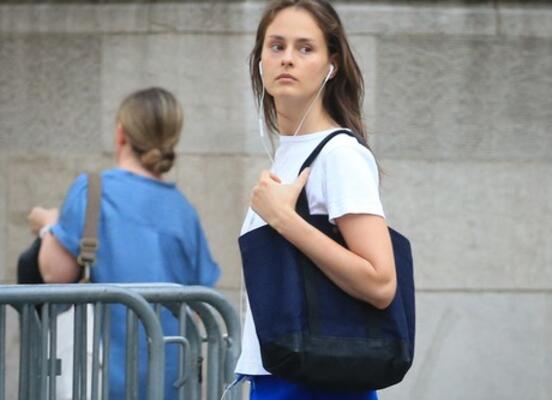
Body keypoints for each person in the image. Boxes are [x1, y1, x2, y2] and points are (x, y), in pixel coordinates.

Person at [236, 1, 396, 399]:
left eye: (305, 48)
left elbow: (380, 282)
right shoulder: (290, 153)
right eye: (276, 46)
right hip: (281, 373)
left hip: (318, 381)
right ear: (260, 61)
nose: (287, 58)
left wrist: (285, 220)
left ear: (331, 65)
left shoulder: (339, 155)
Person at [28, 87, 221, 399]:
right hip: (170, 380)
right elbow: (201, 300)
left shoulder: (91, 190)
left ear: (121, 133)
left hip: (103, 379)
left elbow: (55, 274)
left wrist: (50, 226)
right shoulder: (183, 209)